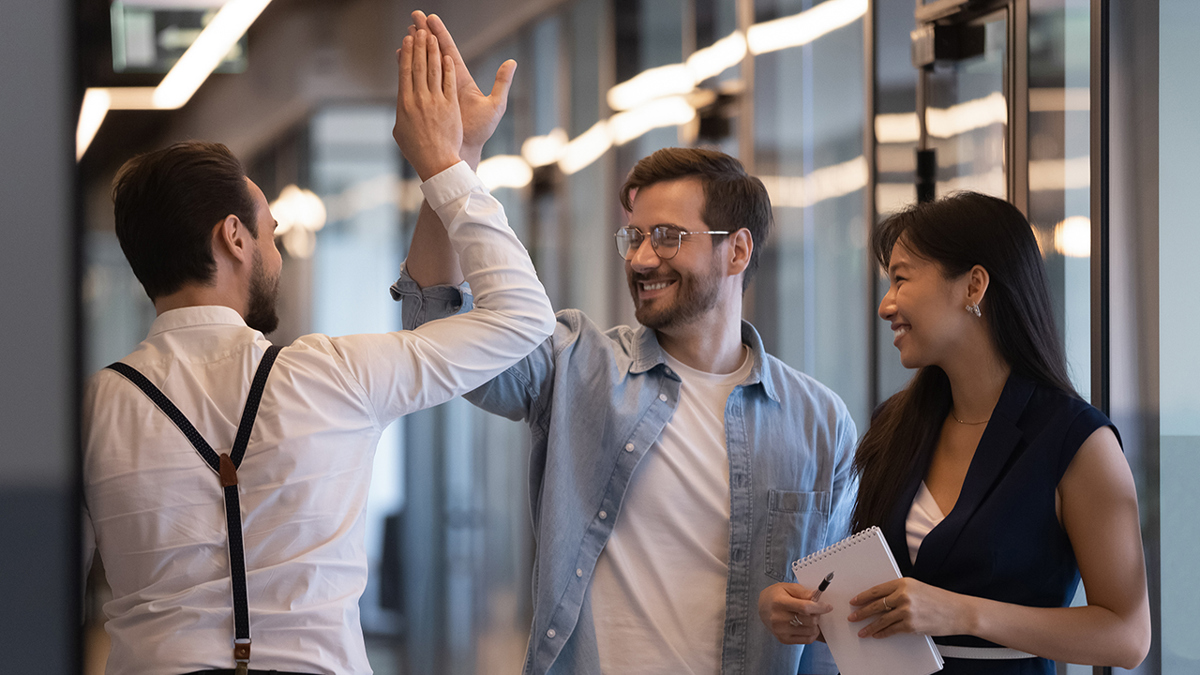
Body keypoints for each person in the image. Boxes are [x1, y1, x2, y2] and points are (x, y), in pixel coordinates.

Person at [393, 12, 858, 675]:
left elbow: (834, 628)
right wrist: (456, 161)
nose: (641, 257)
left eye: (666, 236)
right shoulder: (576, 363)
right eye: (633, 237)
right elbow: (437, 327)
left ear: (738, 251)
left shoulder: (820, 421)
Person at [81, 30, 554, 675]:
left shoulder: (93, 408)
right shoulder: (331, 376)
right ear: (234, 239)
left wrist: (459, 152)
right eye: (270, 231)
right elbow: (521, 316)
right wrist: (448, 165)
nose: (277, 250)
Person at [758, 192, 1151, 673]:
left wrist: (961, 612)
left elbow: (1128, 637)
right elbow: (882, 591)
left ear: (973, 286)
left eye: (900, 279)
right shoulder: (895, 425)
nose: (886, 306)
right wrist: (807, 610)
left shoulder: (1076, 440)